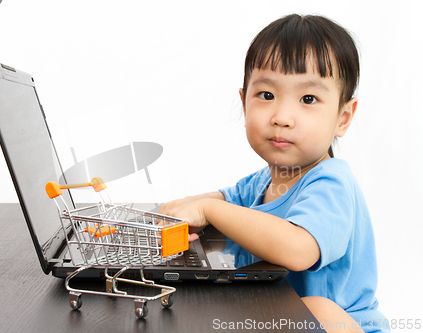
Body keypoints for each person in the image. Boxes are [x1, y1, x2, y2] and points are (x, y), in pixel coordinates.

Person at [159, 14, 388, 333]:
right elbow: (228, 198)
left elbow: (297, 249)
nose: (282, 117)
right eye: (266, 95)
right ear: (244, 102)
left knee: (315, 309)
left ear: (343, 117)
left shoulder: (333, 182)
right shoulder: (265, 181)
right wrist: (185, 207)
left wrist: (211, 209)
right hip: (276, 318)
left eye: (308, 99)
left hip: (344, 326)